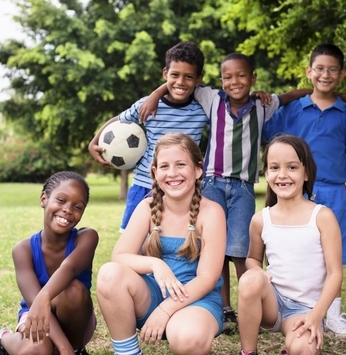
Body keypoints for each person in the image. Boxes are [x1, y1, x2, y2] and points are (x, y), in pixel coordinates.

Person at [139, 52, 312, 333]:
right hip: (212, 182)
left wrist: (326, 93)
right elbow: (180, 82)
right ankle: (224, 306)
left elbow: (291, 95)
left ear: (253, 78)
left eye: (242, 76)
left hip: (243, 187)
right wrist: (154, 96)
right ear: (220, 80)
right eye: (228, 77)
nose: (235, 82)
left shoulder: (262, 105)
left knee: (240, 249)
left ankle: (249, 304)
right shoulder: (212, 98)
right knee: (214, 248)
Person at [96, 132, 226, 355]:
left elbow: (207, 278)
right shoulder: (147, 207)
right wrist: (156, 265)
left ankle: (185, 328)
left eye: (181, 164)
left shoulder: (211, 213)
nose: (172, 173)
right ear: (155, 173)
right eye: (164, 166)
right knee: (109, 274)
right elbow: (119, 256)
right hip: (152, 294)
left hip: (196, 300)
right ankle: (128, 352)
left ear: (197, 169)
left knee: (189, 340)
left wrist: (166, 309)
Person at [263, 43, 346, 336]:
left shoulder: (344, 111)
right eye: (320, 68)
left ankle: (331, 314)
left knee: (336, 252)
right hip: (297, 187)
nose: (325, 74)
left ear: (342, 74)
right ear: (309, 72)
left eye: (333, 69)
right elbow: (270, 138)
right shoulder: (294, 109)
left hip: (336, 189)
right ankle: (284, 304)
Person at [88, 41, 209, 233]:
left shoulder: (203, 109)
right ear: (165, 74)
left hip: (182, 189)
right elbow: (119, 119)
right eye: (175, 75)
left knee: (173, 241)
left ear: (199, 79)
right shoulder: (148, 105)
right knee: (134, 242)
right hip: (145, 185)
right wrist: (93, 143)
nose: (180, 82)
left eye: (188, 77)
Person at [237, 135, 342, 355]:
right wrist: (257, 271)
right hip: (271, 304)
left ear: (306, 173)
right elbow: (253, 259)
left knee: (304, 349)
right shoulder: (261, 219)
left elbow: (335, 274)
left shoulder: (322, 217)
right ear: (266, 174)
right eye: (274, 167)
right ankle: (248, 352)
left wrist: (316, 315)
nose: (282, 175)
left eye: (292, 167)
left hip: (305, 310)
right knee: (249, 280)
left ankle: (293, 346)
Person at [0, 171, 99, 355]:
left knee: (74, 290)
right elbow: (34, 300)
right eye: (61, 200)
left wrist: (44, 296)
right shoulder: (23, 250)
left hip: (75, 322)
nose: (68, 209)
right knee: (39, 348)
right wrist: (63, 348)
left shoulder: (86, 238)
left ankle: (75, 349)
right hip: (36, 315)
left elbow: (69, 268)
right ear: (44, 199)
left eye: (77, 206)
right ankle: (5, 338)